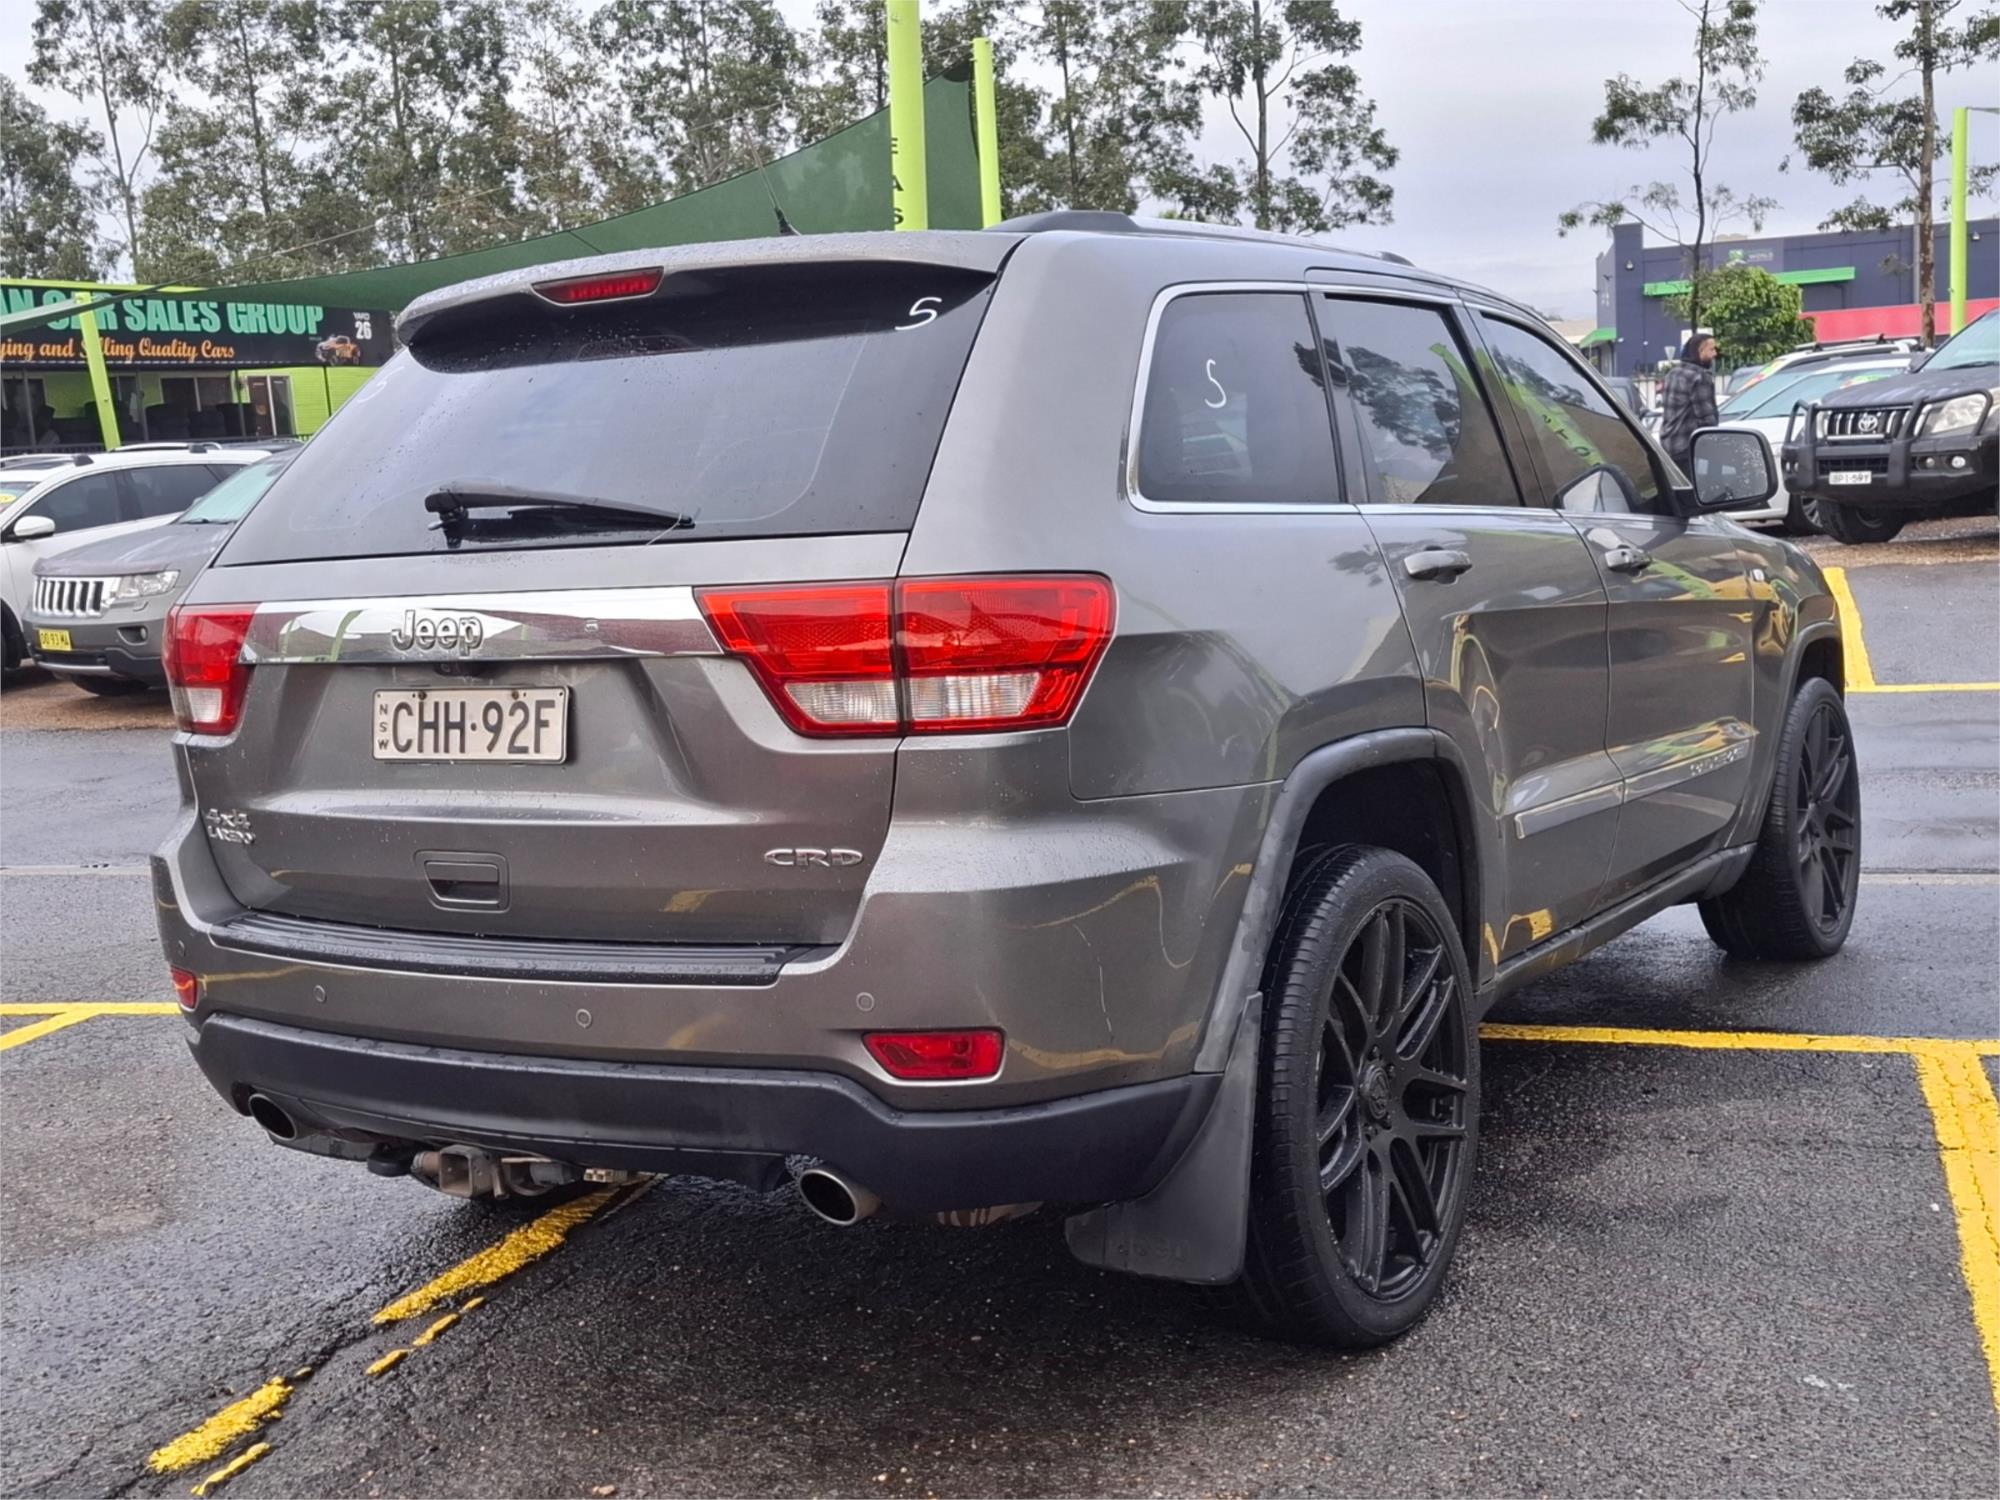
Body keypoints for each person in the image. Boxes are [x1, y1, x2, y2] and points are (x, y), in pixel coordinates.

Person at [1660, 332, 1719, 477]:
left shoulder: (1672, 373)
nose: (1715, 354)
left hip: (1669, 443)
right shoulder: (1700, 376)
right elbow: (1706, 418)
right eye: (1711, 349)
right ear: (1700, 351)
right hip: (1688, 446)